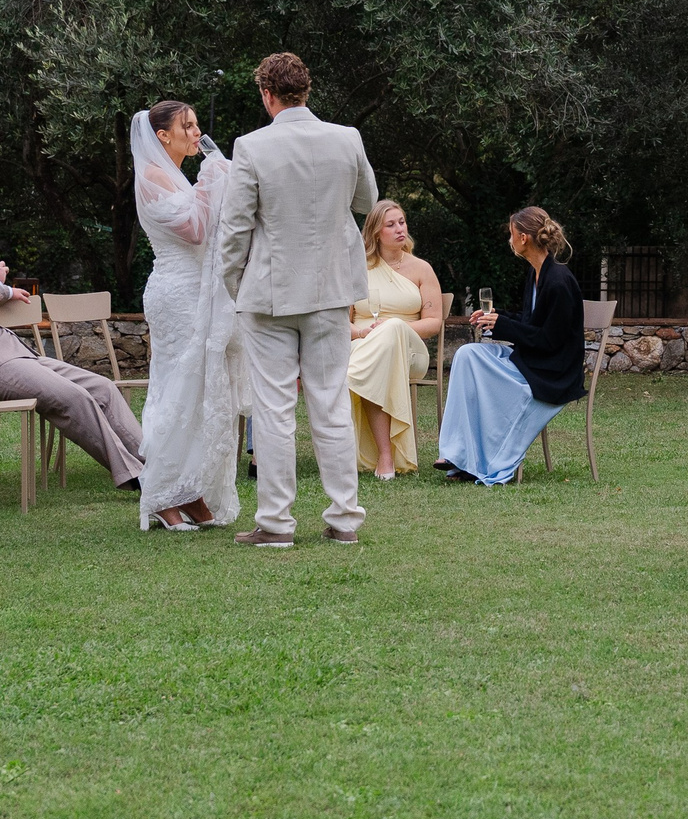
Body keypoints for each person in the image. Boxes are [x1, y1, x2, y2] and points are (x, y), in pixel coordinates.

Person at [214, 51, 378, 547]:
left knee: (273, 408)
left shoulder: (251, 147)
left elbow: (235, 228)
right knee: (329, 403)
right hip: (330, 290)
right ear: (305, 90)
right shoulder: (346, 138)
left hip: (268, 293)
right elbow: (368, 204)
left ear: (267, 95)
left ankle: (277, 524)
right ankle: (345, 520)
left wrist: (234, 286)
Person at [0, 201, 147, 486]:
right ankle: (135, 476)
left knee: (102, 388)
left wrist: (6, 291)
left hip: (10, 358)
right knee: (74, 398)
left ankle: (154, 461)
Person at [132, 101, 245, 532]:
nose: (196, 133)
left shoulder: (174, 174)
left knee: (201, 393)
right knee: (177, 390)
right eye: (188, 126)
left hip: (197, 291)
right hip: (175, 293)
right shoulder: (152, 177)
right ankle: (162, 496)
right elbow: (195, 230)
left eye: (197, 125)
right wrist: (210, 181)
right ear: (163, 135)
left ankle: (192, 491)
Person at [437, 208, 585, 484]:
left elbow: (549, 341)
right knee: (467, 354)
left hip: (552, 373)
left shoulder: (559, 282)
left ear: (524, 238)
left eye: (511, 234)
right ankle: (456, 453)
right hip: (532, 360)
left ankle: (475, 460)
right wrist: (497, 317)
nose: (510, 239)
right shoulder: (536, 273)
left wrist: (503, 325)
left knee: (480, 373)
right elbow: (530, 322)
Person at [348, 199, 445, 479]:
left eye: (401, 222)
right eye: (390, 224)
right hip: (362, 345)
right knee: (375, 357)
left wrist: (394, 325)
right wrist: (362, 332)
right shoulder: (357, 269)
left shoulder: (421, 269)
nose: (399, 229)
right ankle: (385, 455)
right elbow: (342, 322)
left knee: (389, 333)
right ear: (376, 232)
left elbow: (433, 322)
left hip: (410, 352)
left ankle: (348, 381)